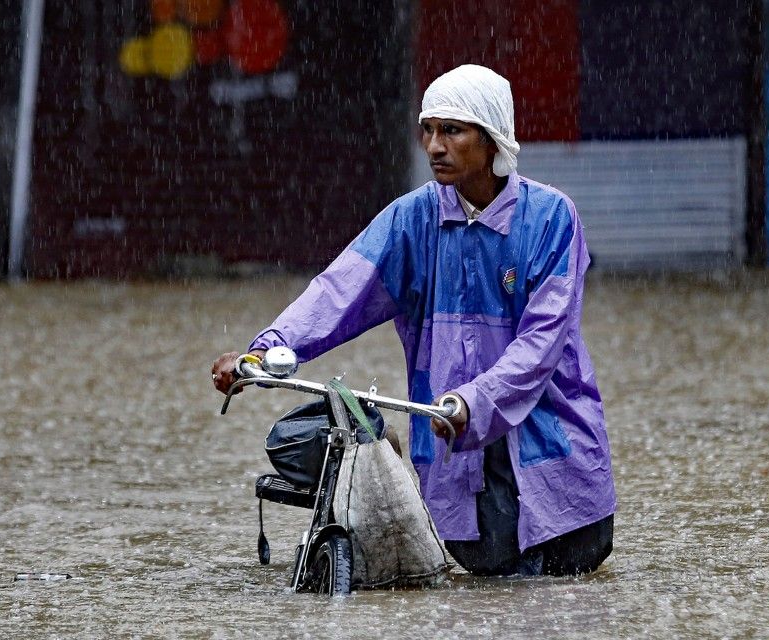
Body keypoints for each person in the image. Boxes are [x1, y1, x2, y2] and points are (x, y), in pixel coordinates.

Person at [211, 64, 616, 577]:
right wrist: (264, 351)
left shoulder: (553, 219)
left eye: (452, 130)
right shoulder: (411, 220)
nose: (434, 146)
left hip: (558, 468)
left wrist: (474, 401)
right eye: (428, 129)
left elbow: (540, 346)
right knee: (489, 591)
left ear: (491, 139)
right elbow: (338, 294)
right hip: (458, 463)